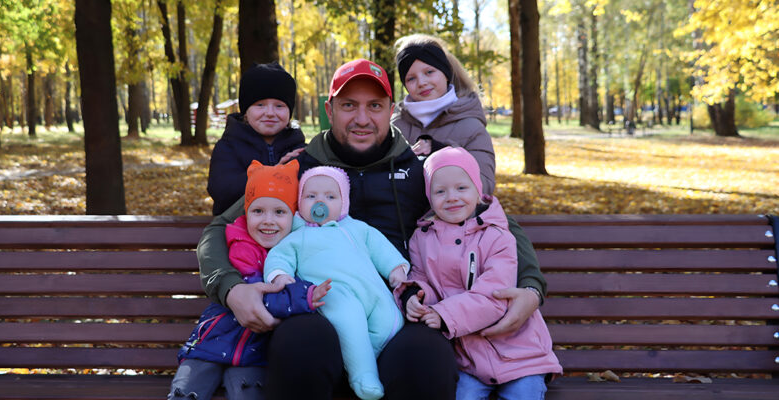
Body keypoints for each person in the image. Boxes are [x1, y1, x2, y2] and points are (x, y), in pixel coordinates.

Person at [198, 58, 545, 400]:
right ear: (330, 109)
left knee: (427, 359)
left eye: (375, 106)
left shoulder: (419, 171)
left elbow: (493, 220)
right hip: (315, 306)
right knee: (299, 345)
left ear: (391, 110)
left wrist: (530, 288)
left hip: (401, 312)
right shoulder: (299, 170)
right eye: (349, 105)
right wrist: (231, 289)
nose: (362, 119)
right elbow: (219, 228)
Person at [396, 147, 562, 399]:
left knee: (523, 394)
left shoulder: (498, 236)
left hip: (519, 355)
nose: (451, 197)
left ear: (477, 190)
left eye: (461, 188)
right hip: (468, 360)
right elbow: (422, 278)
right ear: (429, 197)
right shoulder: (423, 238)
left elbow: (495, 296)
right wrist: (414, 297)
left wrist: (443, 314)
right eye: (440, 191)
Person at [170, 160, 331, 400]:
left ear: (294, 216)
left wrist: (304, 293)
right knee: (186, 391)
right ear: (246, 214)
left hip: (255, 352)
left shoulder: (292, 255)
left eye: (279, 212)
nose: (268, 220)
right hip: (211, 343)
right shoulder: (237, 244)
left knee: (249, 392)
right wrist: (304, 296)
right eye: (258, 211)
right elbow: (261, 292)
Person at [263, 166, 408, 400]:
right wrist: (280, 275)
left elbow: (381, 248)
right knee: (349, 320)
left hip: (372, 291)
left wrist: (396, 269)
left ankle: (356, 358)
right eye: (311, 196)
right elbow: (279, 256)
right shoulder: (298, 235)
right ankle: (363, 375)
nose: (320, 202)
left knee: (392, 320)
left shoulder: (358, 228)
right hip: (333, 293)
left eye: (330, 197)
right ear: (300, 202)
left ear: (344, 203)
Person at [392, 34, 497, 196]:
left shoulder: (471, 126)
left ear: (445, 73)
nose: (421, 82)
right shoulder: (395, 126)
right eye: (411, 78)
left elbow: (484, 185)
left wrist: (441, 152)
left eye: (429, 72)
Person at [207, 62, 306, 215]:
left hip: (289, 227)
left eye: (279, 106)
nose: (270, 113)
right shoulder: (228, 147)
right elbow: (222, 192)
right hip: (237, 225)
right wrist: (275, 173)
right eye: (260, 105)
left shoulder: (299, 150)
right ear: (245, 112)